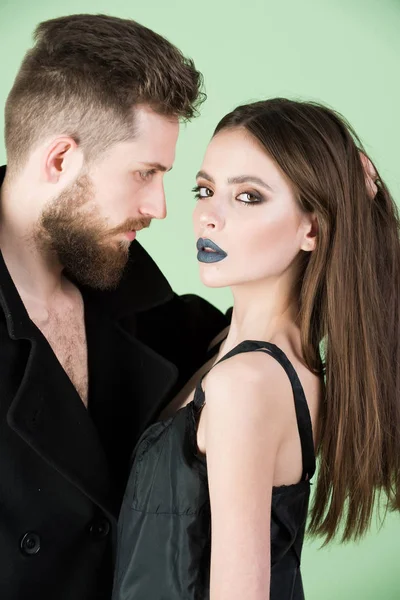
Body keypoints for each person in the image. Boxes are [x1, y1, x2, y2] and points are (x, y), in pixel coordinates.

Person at [113, 98, 400, 599]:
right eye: (205, 190)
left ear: (313, 228)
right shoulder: (241, 351)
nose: (208, 217)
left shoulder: (245, 384)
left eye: (248, 196)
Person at [0, 13, 229, 600]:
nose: (159, 207)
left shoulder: (139, 303)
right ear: (60, 160)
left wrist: (336, 211)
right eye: (144, 173)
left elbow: (257, 337)